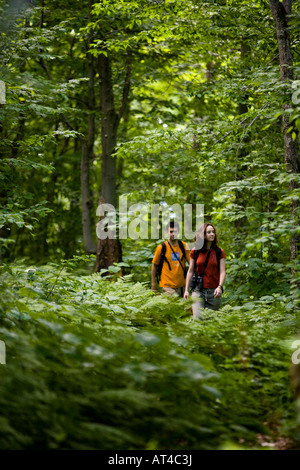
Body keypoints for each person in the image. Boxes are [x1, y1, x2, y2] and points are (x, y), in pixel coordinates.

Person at [184, 223, 225, 318]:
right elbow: (190, 271)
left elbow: (223, 272)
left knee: (212, 323)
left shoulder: (219, 252)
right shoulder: (195, 251)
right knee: (198, 319)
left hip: (214, 292)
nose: (212, 234)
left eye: (213, 232)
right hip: (198, 291)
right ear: (203, 235)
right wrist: (186, 290)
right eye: (209, 232)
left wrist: (219, 287)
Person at [151, 221, 190, 297]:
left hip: (182, 285)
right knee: (172, 307)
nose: (173, 234)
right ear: (167, 232)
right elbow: (154, 265)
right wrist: (153, 284)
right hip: (167, 285)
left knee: (183, 308)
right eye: (171, 231)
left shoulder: (184, 246)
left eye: (175, 231)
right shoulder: (161, 248)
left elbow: (191, 264)